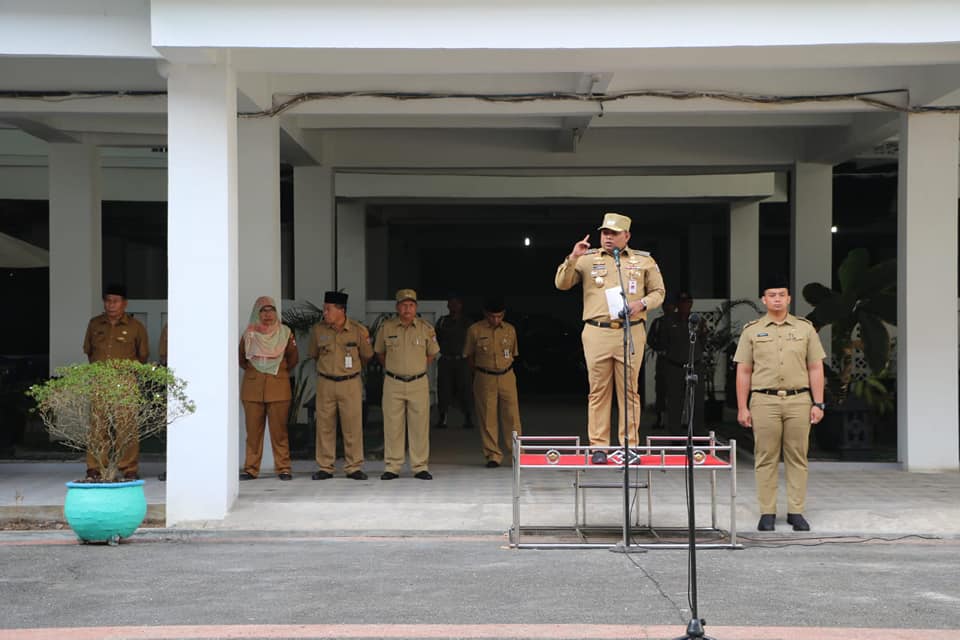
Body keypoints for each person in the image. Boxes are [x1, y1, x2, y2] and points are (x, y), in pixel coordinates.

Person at [555, 212, 665, 463]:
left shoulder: (643, 261)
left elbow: (659, 292)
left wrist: (642, 304)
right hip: (597, 331)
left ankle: (629, 446)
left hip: (631, 328)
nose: (607, 237)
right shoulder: (587, 258)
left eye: (613, 233)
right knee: (598, 391)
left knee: (629, 391)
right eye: (604, 232)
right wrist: (573, 257)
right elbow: (561, 284)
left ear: (626, 236)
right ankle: (599, 448)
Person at [734, 275, 826, 532]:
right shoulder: (752, 331)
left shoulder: (805, 328)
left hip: (799, 399)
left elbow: (815, 366)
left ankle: (796, 511)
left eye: (781, 295)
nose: (777, 299)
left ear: (789, 299)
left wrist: (818, 403)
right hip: (764, 400)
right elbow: (743, 371)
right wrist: (743, 406)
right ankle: (767, 512)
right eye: (771, 295)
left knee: (798, 456)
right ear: (764, 300)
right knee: (765, 457)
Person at [82, 283, 149, 480]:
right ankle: (95, 467)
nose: (111, 305)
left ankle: (128, 468)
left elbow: (143, 355)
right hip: (99, 381)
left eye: (116, 301)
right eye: (108, 301)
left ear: (124, 304)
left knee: (126, 426)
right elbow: (89, 351)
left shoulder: (135, 327)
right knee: (97, 425)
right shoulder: (95, 324)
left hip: (125, 382)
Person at [307, 291, 374, 481]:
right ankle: (325, 467)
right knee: (324, 426)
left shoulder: (358, 331)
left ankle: (353, 467)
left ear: (341, 310)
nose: (324, 312)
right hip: (326, 383)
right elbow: (314, 354)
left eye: (328, 309)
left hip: (350, 383)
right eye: (324, 308)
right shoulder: (318, 330)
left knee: (352, 426)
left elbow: (367, 356)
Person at [374, 288, 440, 480]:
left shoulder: (425, 328)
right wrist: (395, 368)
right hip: (393, 382)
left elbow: (431, 354)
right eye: (403, 305)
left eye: (411, 305)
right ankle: (392, 466)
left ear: (416, 307)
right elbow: (380, 353)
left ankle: (420, 466)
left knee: (419, 425)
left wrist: (416, 369)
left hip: (418, 382)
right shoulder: (387, 328)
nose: (407, 309)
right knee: (393, 425)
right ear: (397, 307)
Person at [239, 296, 297, 481]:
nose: (267, 314)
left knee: (279, 432)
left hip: (278, 388)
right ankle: (250, 469)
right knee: (253, 434)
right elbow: (242, 359)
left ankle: (283, 468)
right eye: (263, 310)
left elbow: (293, 358)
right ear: (257, 313)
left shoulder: (285, 333)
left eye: (271, 309)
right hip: (252, 389)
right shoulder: (249, 335)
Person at [463, 297, 522, 468]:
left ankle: (516, 453)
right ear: (485, 314)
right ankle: (493, 455)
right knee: (487, 416)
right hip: (484, 376)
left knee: (512, 415)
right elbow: (469, 356)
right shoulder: (475, 330)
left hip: (507, 375)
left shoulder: (510, 330)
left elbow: (513, 353)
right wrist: (480, 372)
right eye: (492, 316)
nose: (495, 320)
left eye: (499, 316)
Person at [662, 291, 707, 434]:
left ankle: (698, 436)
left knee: (697, 403)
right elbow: (662, 342)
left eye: (687, 302)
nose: (684, 305)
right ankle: (675, 437)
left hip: (695, 367)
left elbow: (703, 341)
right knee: (675, 404)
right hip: (675, 367)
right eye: (681, 302)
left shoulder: (697, 320)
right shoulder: (669, 321)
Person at [434, 294, 474, 429]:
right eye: (451, 303)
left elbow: (473, 342)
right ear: (447, 306)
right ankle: (442, 417)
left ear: (461, 306)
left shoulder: (468, 323)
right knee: (443, 389)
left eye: (456, 303)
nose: (454, 306)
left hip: (462, 360)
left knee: (465, 389)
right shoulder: (442, 321)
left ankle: (468, 417)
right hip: (446, 360)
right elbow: (435, 339)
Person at [645, 298, 677, 430]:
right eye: (666, 306)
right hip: (663, 360)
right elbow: (650, 339)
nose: (668, 308)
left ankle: (677, 419)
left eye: (671, 305)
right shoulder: (658, 322)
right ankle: (660, 419)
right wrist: (659, 348)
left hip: (678, 361)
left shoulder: (680, 321)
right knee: (661, 389)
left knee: (677, 390)